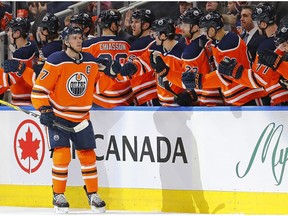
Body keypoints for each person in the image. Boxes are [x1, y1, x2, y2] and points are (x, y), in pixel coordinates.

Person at [30, 26, 120, 213]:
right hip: (59, 118)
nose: (79, 40)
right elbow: (39, 90)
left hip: (82, 118)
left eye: (81, 37)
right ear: (66, 41)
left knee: (88, 156)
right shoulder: (56, 60)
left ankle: (93, 194)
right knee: (61, 156)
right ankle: (58, 195)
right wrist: (45, 109)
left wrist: (111, 74)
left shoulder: (90, 61)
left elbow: (98, 88)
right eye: (75, 38)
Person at [182, 11, 269, 106]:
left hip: (250, 96)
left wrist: (200, 80)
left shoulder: (228, 43)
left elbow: (226, 76)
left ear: (212, 30)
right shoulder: (218, 42)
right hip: (237, 99)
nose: (203, 34)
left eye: (204, 30)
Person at [82, 9, 134, 108]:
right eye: (118, 23)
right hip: (125, 95)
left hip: (99, 97)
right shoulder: (128, 44)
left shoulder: (88, 45)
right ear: (113, 25)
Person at [175, 7, 224, 106]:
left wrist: (188, 94)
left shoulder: (191, 51)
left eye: (185, 24)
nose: (181, 28)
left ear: (195, 28)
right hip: (220, 94)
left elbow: (189, 82)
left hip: (206, 99)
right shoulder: (210, 40)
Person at [250, 3, 288, 105]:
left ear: (263, 24)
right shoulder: (283, 37)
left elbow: (258, 77)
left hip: (279, 98)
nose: (256, 26)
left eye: (256, 22)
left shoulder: (266, 45)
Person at [122, 8, 159, 106]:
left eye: (137, 22)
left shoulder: (139, 44)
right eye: (132, 21)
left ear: (146, 25)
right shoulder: (157, 40)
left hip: (147, 95)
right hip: (158, 93)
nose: (132, 25)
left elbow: (128, 72)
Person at [0, 17, 38, 106]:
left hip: (23, 103)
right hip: (34, 99)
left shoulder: (21, 53)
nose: (8, 33)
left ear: (17, 33)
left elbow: (11, 79)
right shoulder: (31, 45)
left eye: (10, 30)